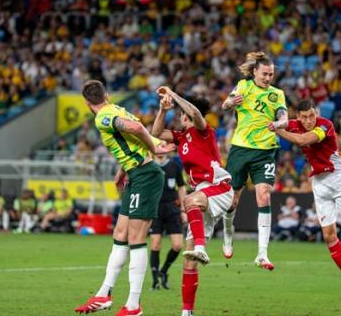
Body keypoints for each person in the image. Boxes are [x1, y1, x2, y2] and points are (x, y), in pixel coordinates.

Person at [74, 80, 173, 316]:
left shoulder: (103, 117)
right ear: (106, 95)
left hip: (146, 175)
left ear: (87, 103)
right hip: (135, 173)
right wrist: (123, 169)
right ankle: (103, 294)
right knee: (120, 234)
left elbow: (137, 130)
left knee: (136, 238)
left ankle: (133, 306)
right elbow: (130, 142)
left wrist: (155, 148)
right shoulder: (116, 108)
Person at [274, 99, 341, 301]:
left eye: (312, 115)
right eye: (304, 117)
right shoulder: (295, 124)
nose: (309, 120)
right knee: (328, 235)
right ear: (298, 116)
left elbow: (303, 141)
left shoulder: (325, 124)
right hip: (319, 183)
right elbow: (281, 121)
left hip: (338, 177)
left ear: (315, 112)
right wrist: (277, 121)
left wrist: (276, 129)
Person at [152, 86, 233, 316]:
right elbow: (157, 133)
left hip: (219, 186)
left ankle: (201, 247)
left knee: (189, 201)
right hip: (203, 193)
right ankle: (187, 312)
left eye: (181, 114)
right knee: (188, 261)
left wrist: (176, 96)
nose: (180, 117)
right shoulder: (180, 137)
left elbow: (197, 115)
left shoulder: (203, 130)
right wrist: (162, 109)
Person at [221, 51, 288, 269]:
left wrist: (279, 124)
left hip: (265, 150)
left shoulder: (277, 94)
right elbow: (224, 104)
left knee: (264, 195)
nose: (268, 78)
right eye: (265, 74)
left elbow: (284, 117)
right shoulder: (243, 85)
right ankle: (228, 235)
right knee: (232, 201)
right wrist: (231, 103)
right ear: (255, 72)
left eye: (271, 74)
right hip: (240, 148)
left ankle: (262, 253)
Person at [149, 153, 186, 290]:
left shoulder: (174, 165)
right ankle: (155, 281)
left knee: (177, 245)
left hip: (172, 208)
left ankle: (163, 271)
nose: (161, 148)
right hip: (155, 208)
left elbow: (181, 187)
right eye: (158, 144)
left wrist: (183, 209)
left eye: (164, 145)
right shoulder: (149, 165)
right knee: (155, 243)